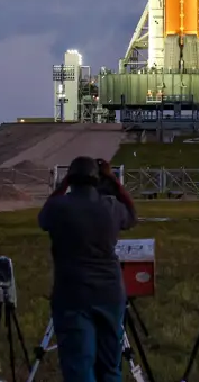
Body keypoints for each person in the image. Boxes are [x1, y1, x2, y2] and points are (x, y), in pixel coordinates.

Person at [38, 156, 137, 382]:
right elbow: (132, 215)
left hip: (72, 293)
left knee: (79, 366)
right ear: (97, 179)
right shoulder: (111, 206)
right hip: (110, 292)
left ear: (70, 179)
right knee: (111, 366)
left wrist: (62, 185)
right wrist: (113, 179)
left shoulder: (59, 206)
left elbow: (43, 218)